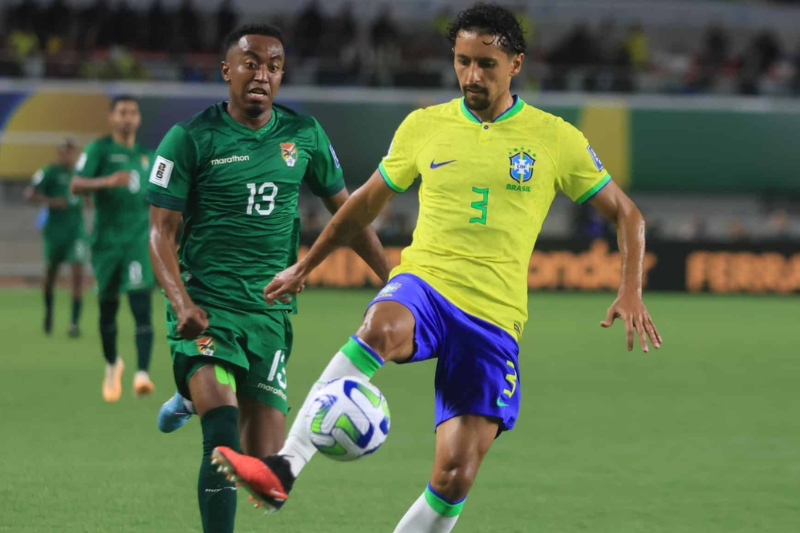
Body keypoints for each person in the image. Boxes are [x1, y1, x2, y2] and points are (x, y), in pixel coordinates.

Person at [212, 4, 663, 533]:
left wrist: (630, 288)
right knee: (379, 328)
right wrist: (306, 264)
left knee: (454, 476)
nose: (472, 75)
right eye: (463, 61)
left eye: (486, 64)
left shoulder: (554, 137)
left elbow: (627, 214)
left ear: (515, 64)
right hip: (425, 283)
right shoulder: (424, 125)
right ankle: (283, 468)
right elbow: (362, 205)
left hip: (494, 316)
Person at [146, 23, 388, 533]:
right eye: (251, 63)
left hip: (269, 313)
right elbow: (159, 233)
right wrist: (182, 303)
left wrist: (394, 279)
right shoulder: (190, 138)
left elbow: (347, 215)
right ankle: (200, 391)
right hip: (207, 309)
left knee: (265, 472)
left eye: (273, 67)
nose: (262, 75)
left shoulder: (304, 135)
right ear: (226, 70)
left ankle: (188, 396)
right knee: (222, 437)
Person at [70, 95, 156, 402]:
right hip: (106, 244)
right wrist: (106, 182)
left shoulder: (149, 157)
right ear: (111, 117)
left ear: (139, 118)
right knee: (108, 310)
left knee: (141, 306)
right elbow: (76, 185)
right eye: (122, 112)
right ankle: (112, 364)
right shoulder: (99, 150)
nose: (127, 117)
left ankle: (142, 373)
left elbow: (161, 197)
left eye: (133, 112)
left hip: (137, 242)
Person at [24, 138, 86, 337]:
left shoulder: (82, 174)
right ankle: (49, 311)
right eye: (65, 150)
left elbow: (88, 196)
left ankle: (74, 323)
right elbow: (29, 194)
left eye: (71, 151)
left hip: (76, 232)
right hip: (55, 232)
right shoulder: (49, 172)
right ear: (59, 152)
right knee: (51, 274)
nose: (68, 154)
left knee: (78, 273)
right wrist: (51, 201)